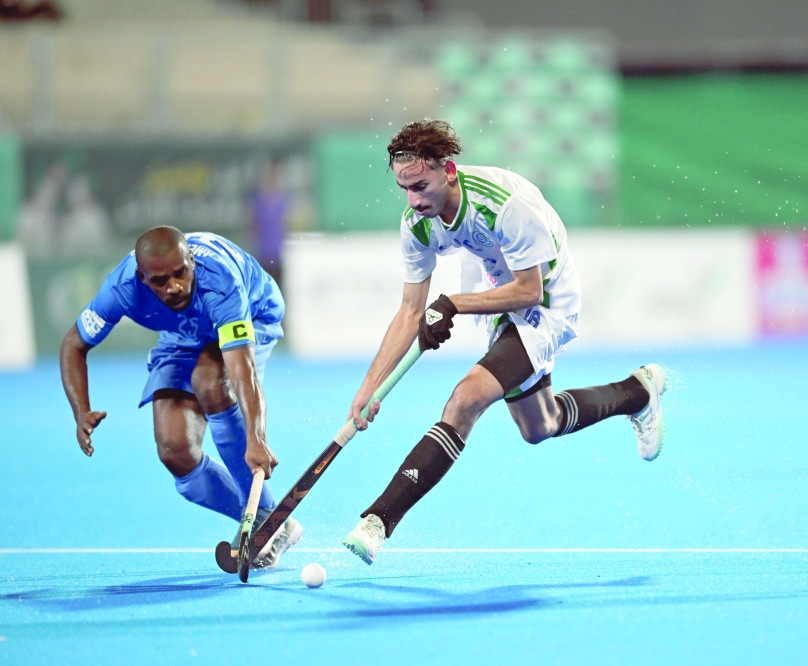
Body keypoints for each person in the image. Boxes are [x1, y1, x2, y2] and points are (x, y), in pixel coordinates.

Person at [340, 119, 667, 565]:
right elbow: (410, 311)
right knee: (540, 426)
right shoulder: (417, 224)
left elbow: (530, 292)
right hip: (499, 285)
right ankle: (637, 392)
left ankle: (377, 521)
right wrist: (370, 388)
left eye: (421, 186)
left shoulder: (504, 206)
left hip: (547, 297)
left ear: (448, 170)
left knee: (464, 400)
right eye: (405, 189)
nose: (414, 200)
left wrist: (454, 303)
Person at [59, 227, 301, 567]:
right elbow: (73, 344)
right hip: (183, 333)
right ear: (142, 278)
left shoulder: (221, 283)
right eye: (159, 281)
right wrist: (80, 410)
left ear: (192, 262)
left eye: (181, 273)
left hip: (254, 315)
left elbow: (240, 370)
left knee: (210, 381)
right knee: (175, 452)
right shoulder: (121, 288)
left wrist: (255, 436)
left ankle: (269, 523)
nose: (173, 286)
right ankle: (274, 520)